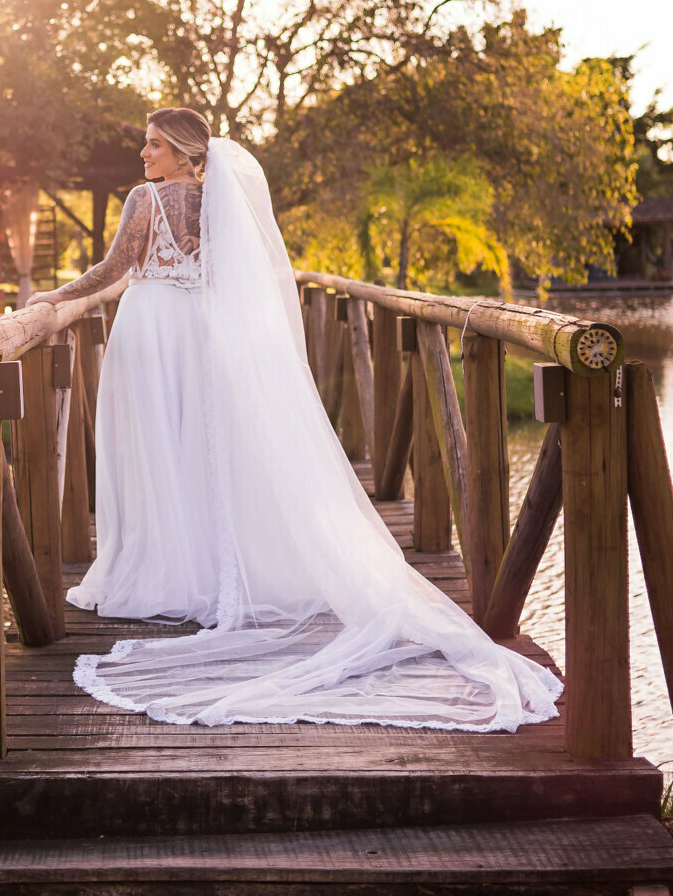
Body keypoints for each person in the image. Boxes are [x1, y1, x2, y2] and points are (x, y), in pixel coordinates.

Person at [31, 108, 562, 730]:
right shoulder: (220, 201)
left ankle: (166, 570)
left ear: (181, 152)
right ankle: (204, 570)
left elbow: (113, 270)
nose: (142, 155)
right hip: (201, 336)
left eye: (152, 145)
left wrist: (53, 298)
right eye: (143, 144)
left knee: (155, 452)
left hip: (150, 332)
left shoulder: (145, 199)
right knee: (201, 451)